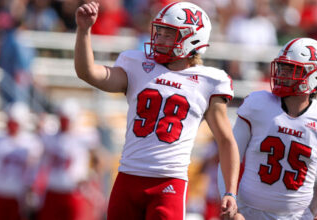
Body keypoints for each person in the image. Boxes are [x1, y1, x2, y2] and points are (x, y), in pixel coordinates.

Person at [74, 1, 240, 219]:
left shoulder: (208, 81)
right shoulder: (136, 64)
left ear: (193, 38)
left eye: (168, 34)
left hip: (169, 182)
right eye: (159, 32)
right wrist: (84, 31)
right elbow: (89, 73)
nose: (158, 39)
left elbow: (226, 140)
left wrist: (230, 191)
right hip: (127, 178)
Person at [218, 37, 317, 220]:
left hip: (297, 216)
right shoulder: (258, 104)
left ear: (316, 75)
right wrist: (230, 200)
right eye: (283, 68)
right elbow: (229, 155)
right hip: (247, 212)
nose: (283, 75)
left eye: (292, 70)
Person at [37, 99, 106, 220]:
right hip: (52, 191)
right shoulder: (50, 136)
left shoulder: (85, 136)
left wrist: (92, 177)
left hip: (74, 192)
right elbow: (39, 160)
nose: (63, 122)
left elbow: (100, 159)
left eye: (66, 119)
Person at [0, 102, 43, 220]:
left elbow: (32, 171)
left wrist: (30, 194)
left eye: (15, 123)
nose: (12, 126)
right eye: (10, 122)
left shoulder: (31, 143)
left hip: (16, 196)